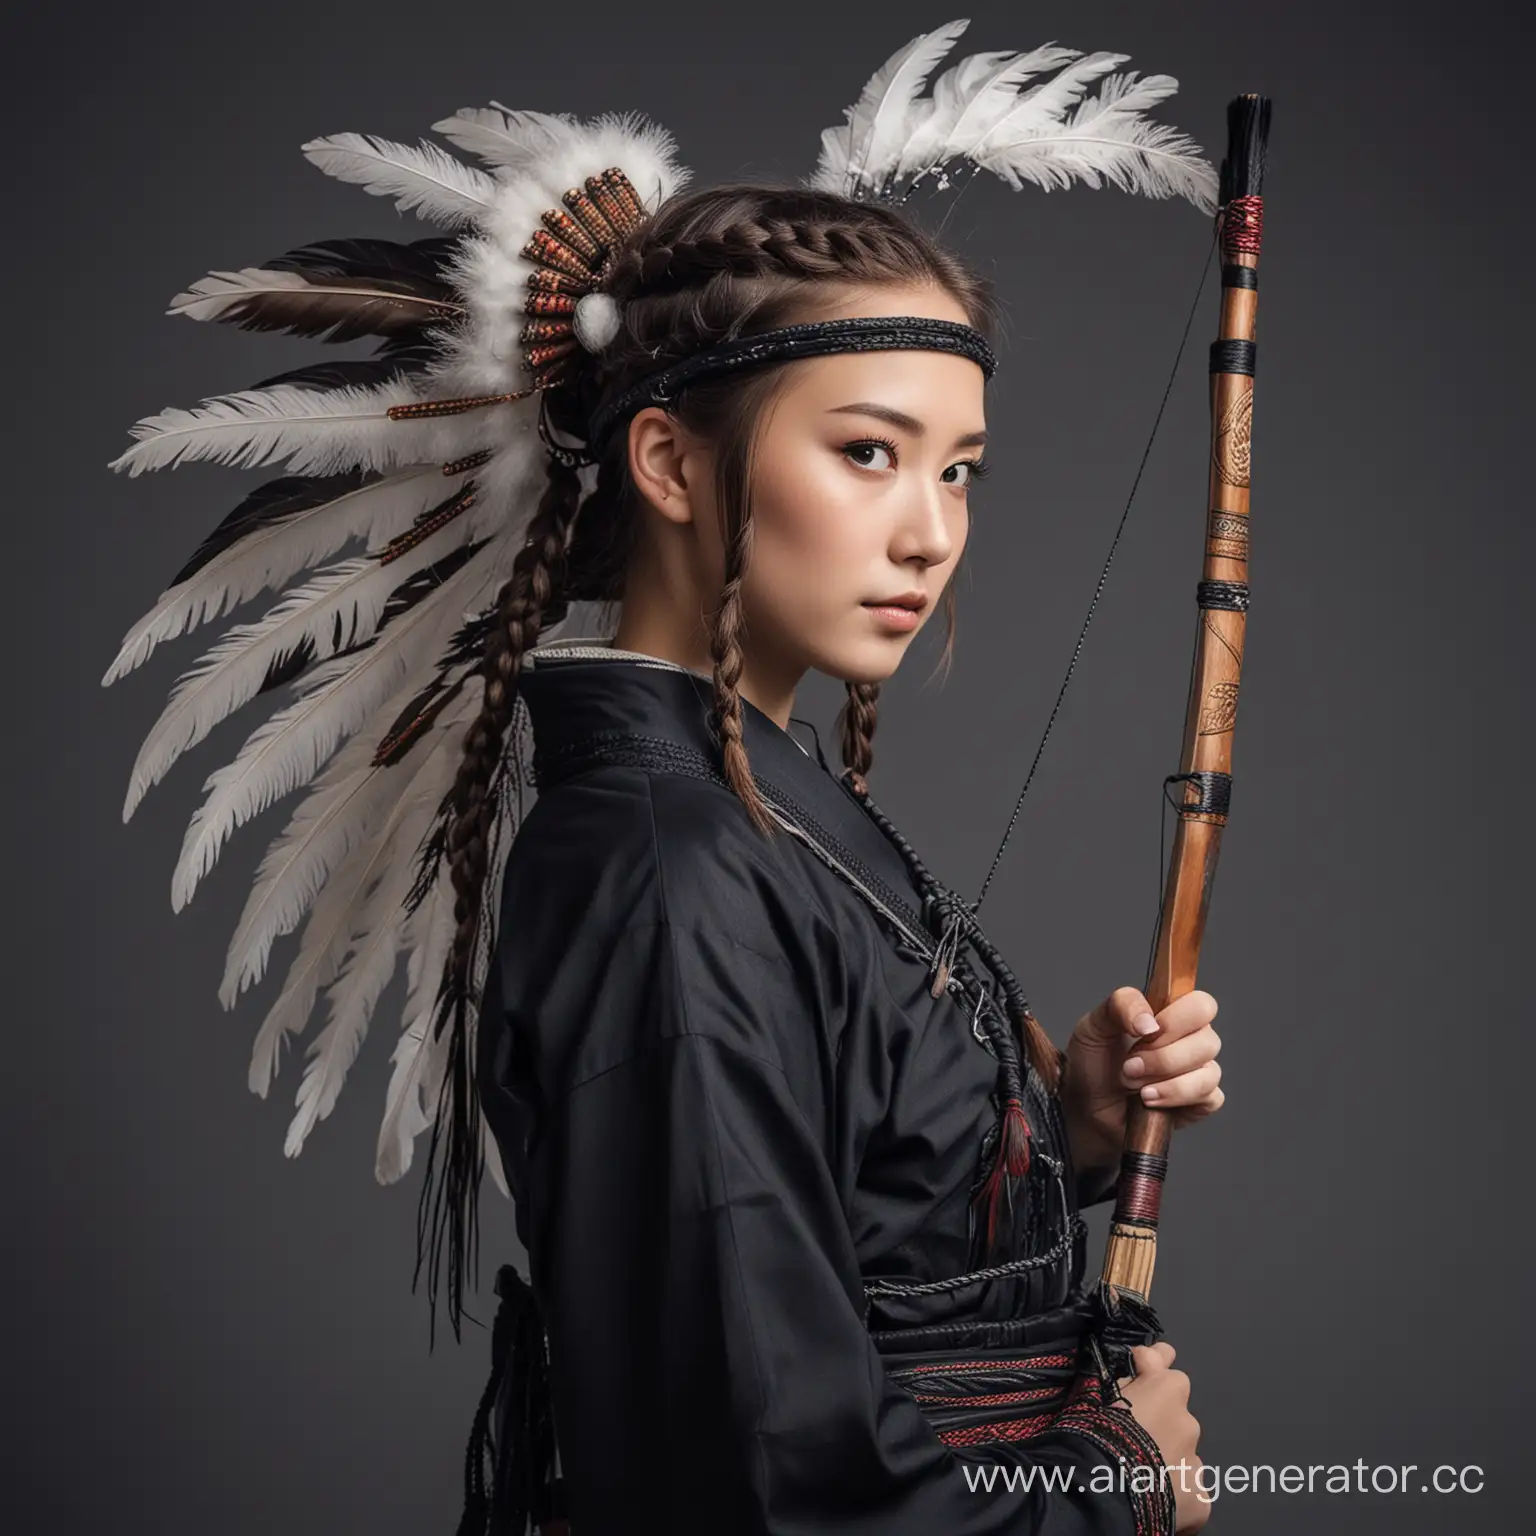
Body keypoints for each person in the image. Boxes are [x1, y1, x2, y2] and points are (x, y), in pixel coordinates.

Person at [106, 21, 1225, 1536]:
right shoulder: (666, 868)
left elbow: (827, 1240)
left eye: (957, 468)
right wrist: (1114, 1490)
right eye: (868, 453)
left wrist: (1055, 1128)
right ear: (673, 465)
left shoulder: (734, 811)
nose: (930, 532)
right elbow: (760, 1485)